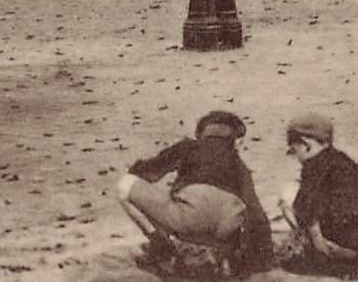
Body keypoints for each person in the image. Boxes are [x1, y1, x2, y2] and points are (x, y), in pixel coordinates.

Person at [116, 110, 273, 277]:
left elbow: (146, 173)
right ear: (234, 139)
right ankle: (226, 257)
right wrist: (263, 253)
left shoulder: (188, 146)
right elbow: (257, 213)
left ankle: (161, 246)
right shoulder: (239, 164)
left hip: (189, 221)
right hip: (225, 229)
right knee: (237, 212)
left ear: (201, 132)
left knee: (124, 185)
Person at [278, 113, 358, 280]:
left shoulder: (313, 167)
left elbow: (306, 210)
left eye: (294, 150)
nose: (296, 158)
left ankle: (330, 262)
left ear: (306, 145)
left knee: (289, 196)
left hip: (347, 251)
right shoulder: (343, 161)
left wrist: (318, 247)